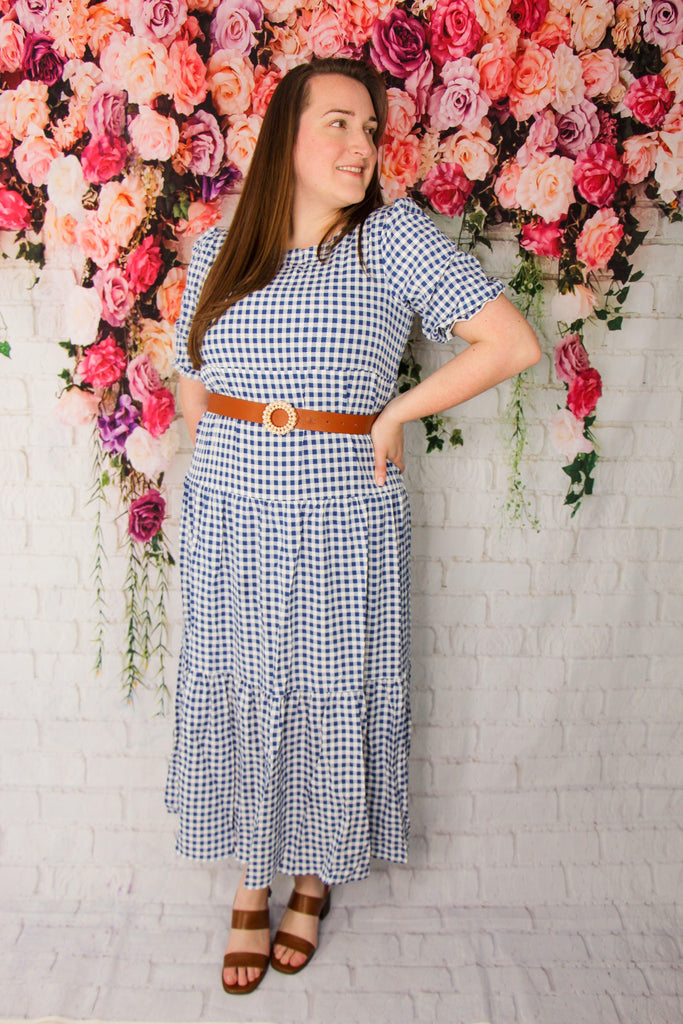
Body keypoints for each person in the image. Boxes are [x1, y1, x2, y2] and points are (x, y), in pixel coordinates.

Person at [166, 57, 541, 995]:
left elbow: (511, 342)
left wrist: (396, 412)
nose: (362, 144)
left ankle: (310, 878)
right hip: (231, 518)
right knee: (245, 692)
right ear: (284, 137)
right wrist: (216, 484)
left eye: (371, 128)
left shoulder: (390, 238)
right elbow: (191, 382)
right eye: (337, 122)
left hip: (340, 516)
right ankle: (249, 880)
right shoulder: (219, 249)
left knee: (326, 694)